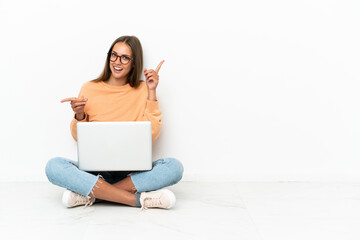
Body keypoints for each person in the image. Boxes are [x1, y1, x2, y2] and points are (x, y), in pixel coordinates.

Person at [45, 36, 184, 210]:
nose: (117, 62)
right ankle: (136, 200)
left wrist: (151, 91)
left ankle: (93, 195)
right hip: (94, 173)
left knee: (174, 167)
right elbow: (78, 137)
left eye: (125, 57)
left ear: (134, 63)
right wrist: (79, 115)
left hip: (131, 174)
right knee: (53, 166)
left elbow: (152, 133)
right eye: (114, 55)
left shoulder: (142, 89)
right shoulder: (89, 88)